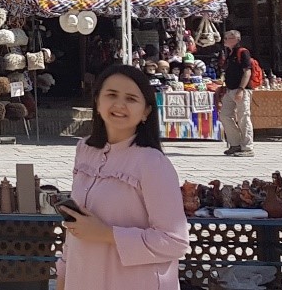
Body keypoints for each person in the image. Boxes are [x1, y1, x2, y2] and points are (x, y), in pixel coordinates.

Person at [56, 64, 189, 290]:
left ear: (146, 111)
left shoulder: (152, 163)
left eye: (131, 98)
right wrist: (63, 275)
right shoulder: (85, 150)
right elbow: (77, 227)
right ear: (98, 102)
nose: (119, 105)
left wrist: (108, 235)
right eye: (111, 95)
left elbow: (175, 241)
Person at [218, 29, 255, 158]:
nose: (225, 40)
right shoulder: (229, 53)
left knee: (243, 117)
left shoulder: (243, 52)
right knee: (224, 115)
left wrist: (241, 89)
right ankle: (235, 144)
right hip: (230, 90)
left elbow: (247, 71)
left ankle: (247, 147)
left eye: (227, 38)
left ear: (235, 38)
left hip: (241, 90)